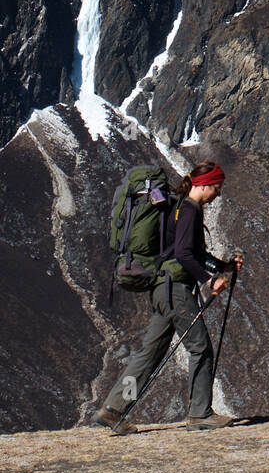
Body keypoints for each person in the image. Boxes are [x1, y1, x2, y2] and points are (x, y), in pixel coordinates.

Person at [94, 160, 243, 434]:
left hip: (162, 288)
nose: (217, 194)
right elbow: (186, 255)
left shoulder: (178, 208)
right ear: (204, 184)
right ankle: (200, 414)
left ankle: (112, 409)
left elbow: (185, 251)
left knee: (151, 351)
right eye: (217, 188)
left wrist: (222, 266)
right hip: (175, 289)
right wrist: (209, 280)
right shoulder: (189, 210)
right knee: (200, 348)